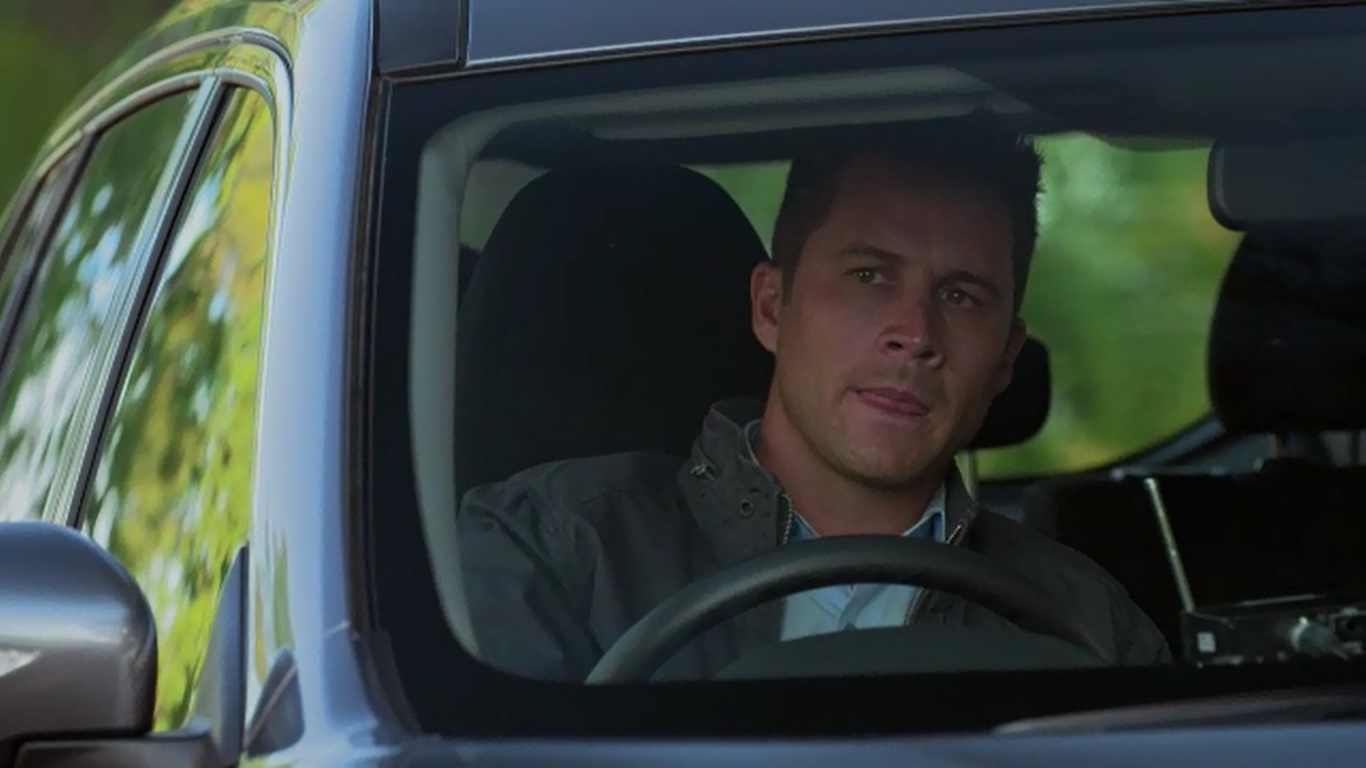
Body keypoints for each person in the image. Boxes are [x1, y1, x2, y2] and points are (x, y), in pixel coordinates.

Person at [455, 118, 1172, 682]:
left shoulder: (1089, 626)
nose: (916, 334)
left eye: (961, 296)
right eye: (869, 276)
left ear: (1005, 358)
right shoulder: (552, 551)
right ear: (771, 307)